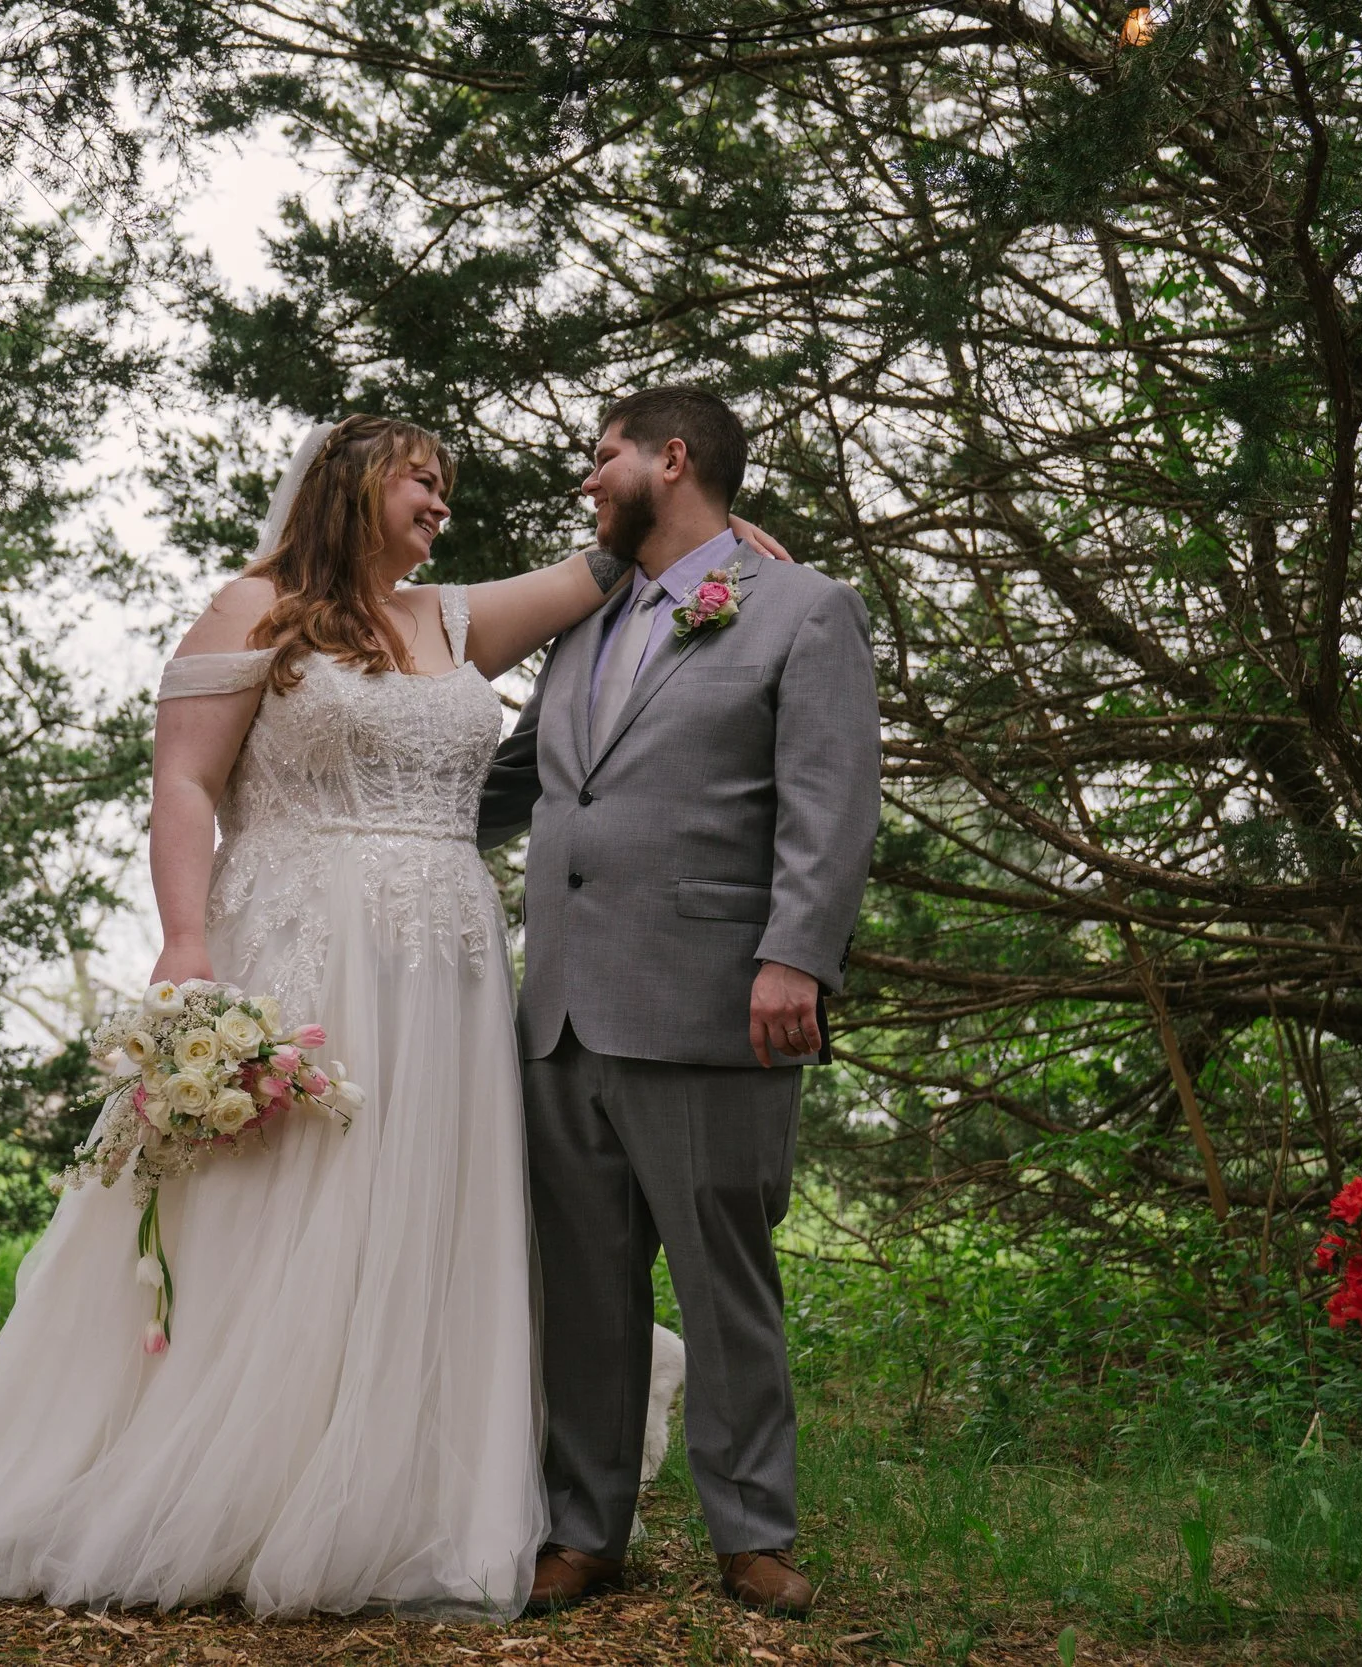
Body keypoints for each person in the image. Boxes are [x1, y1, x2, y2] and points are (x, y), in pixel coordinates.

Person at [0, 414, 779, 1617]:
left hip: (450, 971)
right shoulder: (250, 608)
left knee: (425, 1199)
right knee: (285, 1199)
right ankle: (245, 1478)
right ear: (354, 482)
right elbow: (183, 780)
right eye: (422, 481)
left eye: (445, 490)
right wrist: (187, 937)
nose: (439, 506)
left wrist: (719, 546)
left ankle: (405, 1486)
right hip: (304, 945)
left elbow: (610, 568)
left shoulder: (450, 619)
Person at [478, 387, 881, 1619]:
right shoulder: (583, 622)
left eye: (603, 455)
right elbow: (515, 785)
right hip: (560, 1013)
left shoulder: (802, 610)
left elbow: (831, 799)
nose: (587, 477)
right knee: (584, 1289)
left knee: (724, 1281)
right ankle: (583, 1529)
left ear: (673, 457)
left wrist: (793, 958)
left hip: (714, 1000)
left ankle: (753, 1531)